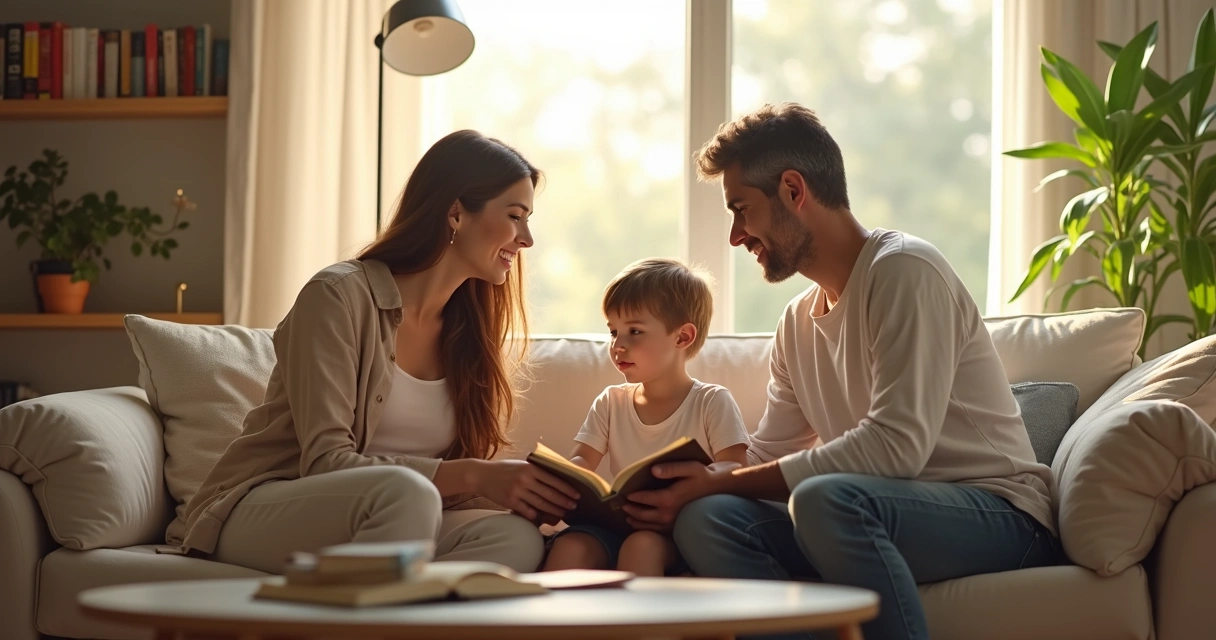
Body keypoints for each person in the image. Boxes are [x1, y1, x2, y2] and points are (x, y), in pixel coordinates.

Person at [620, 103, 1059, 640]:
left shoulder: (903, 270)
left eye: (741, 209)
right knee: (708, 519)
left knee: (826, 498)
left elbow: (897, 447)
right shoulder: (796, 323)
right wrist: (680, 485)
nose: (736, 236)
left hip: (999, 515)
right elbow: (770, 455)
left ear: (792, 190)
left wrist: (727, 479)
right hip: (874, 514)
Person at [164, 130, 580, 575]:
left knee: (512, 536)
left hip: (396, 516)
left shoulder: (468, 330)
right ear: (456, 213)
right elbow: (326, 463)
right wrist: (475, 474)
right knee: (406, 493)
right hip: (268, 506)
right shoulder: (338, 296)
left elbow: (445, 484)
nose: (527, 239)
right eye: (516, 216)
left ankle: (408, 615)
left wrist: (527, 495)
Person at [541, 258, 750, 577]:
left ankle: (642, 629)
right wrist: (560, 480)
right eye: (613, 332)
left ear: (682, 337)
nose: (617, 345)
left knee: (641, 546)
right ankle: (547, 628)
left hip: (676, 531)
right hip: (615, 525)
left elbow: (736, 468)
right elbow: (582, 462)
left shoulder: (711, 400)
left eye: (634, 331)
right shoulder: (611, 402)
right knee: (571, 547)